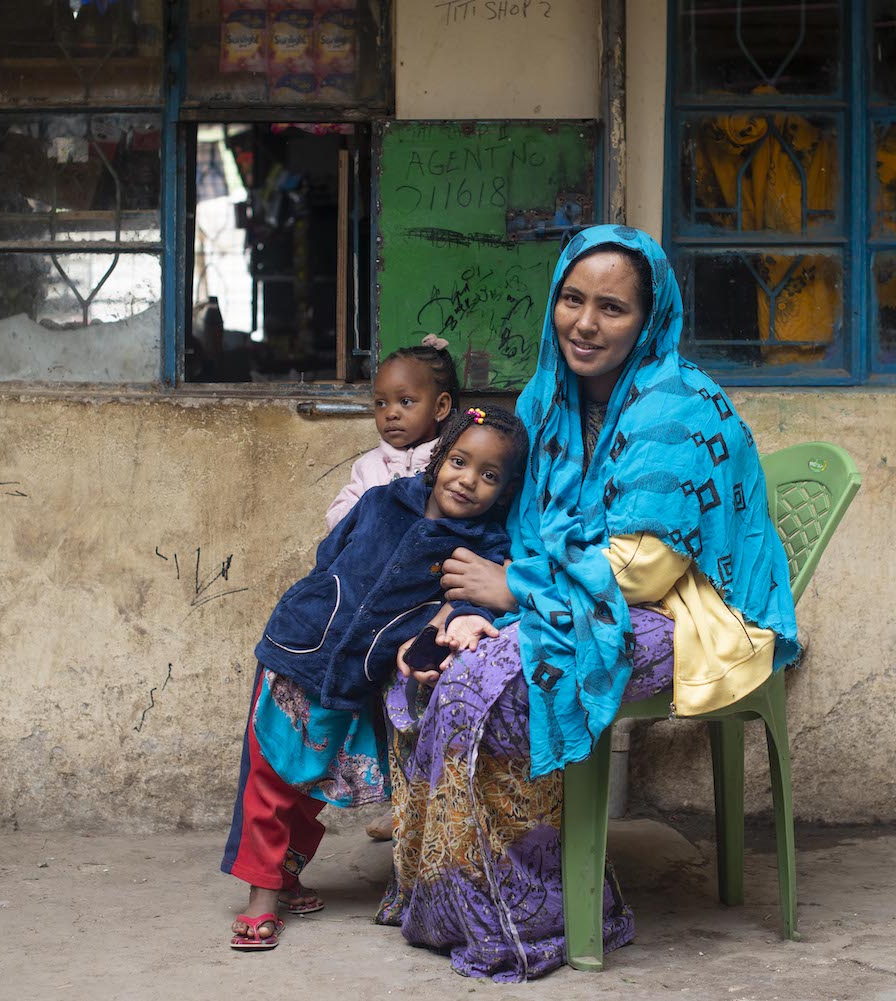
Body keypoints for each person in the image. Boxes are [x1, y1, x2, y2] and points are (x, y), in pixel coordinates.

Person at [376, 225, 800, 980]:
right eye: (573, 299)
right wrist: (475, 608)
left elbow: (647, 565)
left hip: (688, 607)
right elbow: (521, 524)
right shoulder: (547, 398)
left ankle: (537, 909)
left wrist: (514, 591)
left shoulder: (678, 403)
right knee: (433, 658)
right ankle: (452, 894)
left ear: (650, 318)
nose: (584, 322)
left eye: (612, 308)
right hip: (579, 589)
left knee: (499, 686)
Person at [221, 404, 530, 951]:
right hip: (299, 650)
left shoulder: (484, 548)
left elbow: (465, 607)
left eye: (489, 475)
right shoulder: (382, 501)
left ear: (505, 490)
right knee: (270, 775)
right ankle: (261, 896)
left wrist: (439, 634)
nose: (468, 480)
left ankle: (286, 874)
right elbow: (330, 556)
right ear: (439, 458)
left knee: (314, 780)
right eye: (459, 461)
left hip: (359, 675)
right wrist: (319, 603)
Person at [325, 339, 460, 530]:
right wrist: (371, 512)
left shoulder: (453, 463)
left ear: (440, 407)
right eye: (381, 403)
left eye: (405, 401)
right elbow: (335, 519)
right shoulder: (369, 466)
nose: (390, 413)